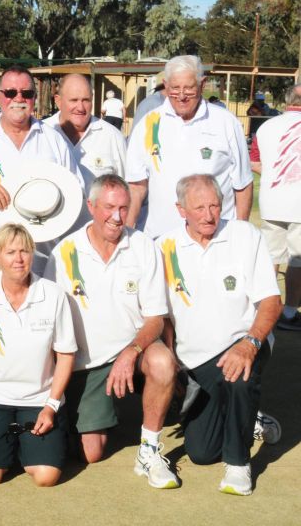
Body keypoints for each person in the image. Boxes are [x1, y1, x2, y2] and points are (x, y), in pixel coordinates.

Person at [44, 174, 179, 488]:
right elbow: (51, 322)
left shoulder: (143, 246)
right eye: (108, 207)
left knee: (161, 362)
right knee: (90, 453)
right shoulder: (64, 253)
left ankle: (149, 450)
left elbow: (156, 318)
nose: (117, 217)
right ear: (91, 206)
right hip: (85, 364)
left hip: (134, 348)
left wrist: (130, 353)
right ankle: (106, 415)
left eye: (123, 207)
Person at [156, 174, 281, 496]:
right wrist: (172, 362)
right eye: (199, 207)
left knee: (239, 374)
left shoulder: (244, 234)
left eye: (215, 205)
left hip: (243, 340)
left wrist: (251, 343)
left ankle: (239, 465)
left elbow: (270, 301)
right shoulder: (163, 246)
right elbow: (163, 316)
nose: (209, 215)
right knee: (201, 453)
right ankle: (251, 418)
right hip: (195, 360)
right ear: (180, 209)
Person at [0, 223, 76, 487]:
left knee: (46, 476)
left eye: (24, 251)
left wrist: (51, 406)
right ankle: (4, 439)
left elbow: (66, 355)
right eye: (10, 252)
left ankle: (27, 447)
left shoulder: (54, 295)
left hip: (39, 399)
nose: (19, 259)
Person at [0, 65, 82, 280]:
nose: (18, 98)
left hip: (42, 264)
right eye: (10, 93)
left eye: (26, 93)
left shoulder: (53, 139)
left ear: (34, 98)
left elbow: (75, 192)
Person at [125, 55, 252, 238]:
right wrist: (128, 233)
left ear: (202, 84)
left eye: (189, 88)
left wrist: (241, 234)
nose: (182, 96)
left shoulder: (225, 122)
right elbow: (136, 187)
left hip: (216, 239)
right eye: (175, 88)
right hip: (162, 240)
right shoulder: (148, 124)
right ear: (166, 86)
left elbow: (243, 184)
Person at [251, 83, 301, 331]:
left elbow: (254, 162)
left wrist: (273, 173)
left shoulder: (267, 126)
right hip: (298, 204)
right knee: (297, 261)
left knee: (271, 259)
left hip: (271, 200)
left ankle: (265, 310)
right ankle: (290, 312)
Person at [50, 74, 127, 179]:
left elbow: (126, 187)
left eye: (86, 100)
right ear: (58, 101)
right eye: (74, 100)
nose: (80, 108)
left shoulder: (113, 137)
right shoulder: (41, 133)